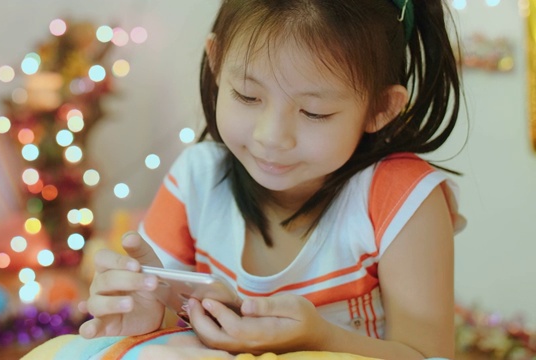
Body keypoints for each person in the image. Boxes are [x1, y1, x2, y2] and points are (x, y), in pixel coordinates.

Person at [79, 0, 465, 358]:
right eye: (248, 96)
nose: (271, 137)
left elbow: (428, 354)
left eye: (314, 113)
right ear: (216, 63)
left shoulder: (402, 199)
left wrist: (322, 339)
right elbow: (172, 336)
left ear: (380, 108)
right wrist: (145, 318)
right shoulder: (195, 178)